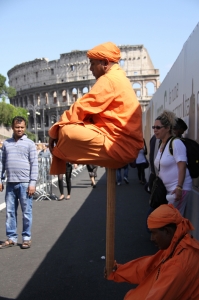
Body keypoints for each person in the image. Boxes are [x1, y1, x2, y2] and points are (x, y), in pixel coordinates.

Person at [48, 42, 143, 174]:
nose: (90, 69)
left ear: (105, 63)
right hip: (121, 143)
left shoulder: (109, 79)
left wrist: (54, 132)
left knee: (65, 131)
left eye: (92, 63)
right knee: (71, 127)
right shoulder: (119, 78)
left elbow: (82, 107)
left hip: (120, 146)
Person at [107, 204, 199, 299]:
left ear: (167, 231)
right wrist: (117, 270)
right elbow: (148, 267)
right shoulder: (179, 243)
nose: (152, 238)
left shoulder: (178, 265)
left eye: (154, 233)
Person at [0, 116, 38, 249]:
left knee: (26, 212)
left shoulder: (30, 144)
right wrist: (0, 179)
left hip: (25, 184)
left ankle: (26, 237)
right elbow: (1, 163)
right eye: (17, 127)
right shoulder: (6, 143)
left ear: (25, 127)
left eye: (22, 127)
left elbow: (34, 165)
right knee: (10, 212)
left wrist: (32, 183)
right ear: (12, 127)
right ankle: (11, 237)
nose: (19, 129)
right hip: (10, 183)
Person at [153, 110, 192, 216]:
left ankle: (182, 233)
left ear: (168, 128)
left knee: (173, 220)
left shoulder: (176, 143)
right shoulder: (162, 143)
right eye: (154, 127)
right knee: (164, 220)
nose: (155, 130)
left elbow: (182, 166)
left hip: (178, 190)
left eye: (158, 127)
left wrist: (179, 187)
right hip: (166, 190)